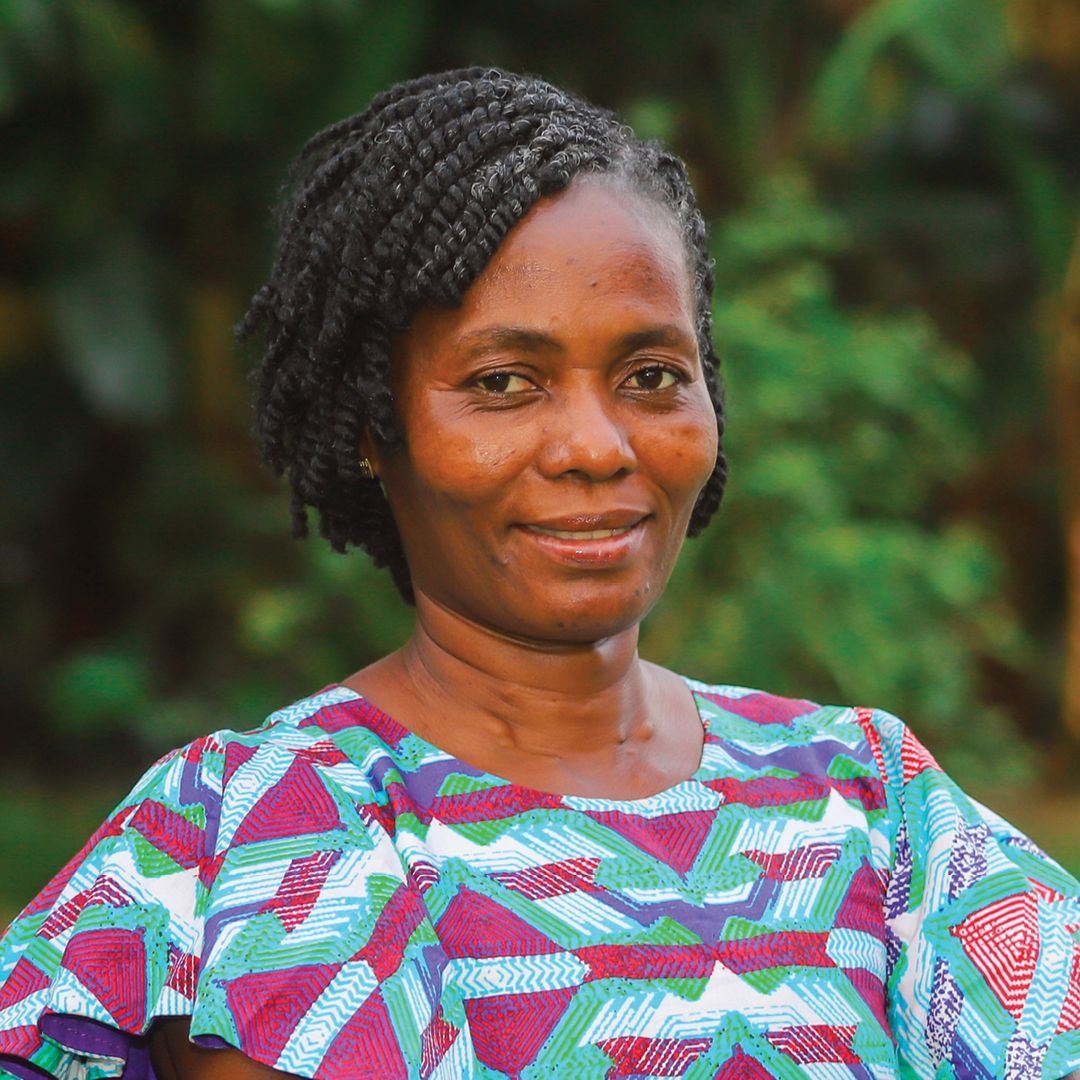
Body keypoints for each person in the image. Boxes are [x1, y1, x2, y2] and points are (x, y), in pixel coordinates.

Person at [0, 67, 1077, 1080]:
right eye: (506, 381)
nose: (596, 444)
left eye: (652, 374)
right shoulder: (244, 836)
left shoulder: (869, 800)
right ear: (377, 427)